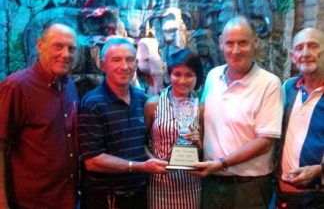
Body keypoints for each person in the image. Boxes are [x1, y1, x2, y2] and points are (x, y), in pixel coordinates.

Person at [192, 16, 283, 209]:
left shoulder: (269, 83)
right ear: (220, 44)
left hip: (248, 188)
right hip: (212, 183)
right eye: (230, 43)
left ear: (255, 43)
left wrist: (220, 163)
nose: (236, 50)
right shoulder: (213, 76)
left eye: (243, 43)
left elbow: (264, 142)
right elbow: (203, 117)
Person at [78, 37, 168, 209]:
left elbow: (145, 143)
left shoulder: (142, 99)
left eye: (130, 59)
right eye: (116, 60)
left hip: (139, 196)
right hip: (106, 200)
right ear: (103, 65)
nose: (125, 66)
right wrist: (139, 167)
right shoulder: (92, 103)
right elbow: (92, 160)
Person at [0, 19, 79, 209]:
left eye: (71, 48)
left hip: (67, 199)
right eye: (58, 46)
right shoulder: (16, 87)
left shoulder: (70, 86)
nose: (65, 54)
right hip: (31, 203)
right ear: (40, 45)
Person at [144, 48, 204, 209]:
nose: (182, 80)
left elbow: (203, 150)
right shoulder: (153, 104)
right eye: (177, 74)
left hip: (189, 183)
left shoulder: (201, 108)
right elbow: (140, 142)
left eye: (189, 74)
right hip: (159, 182)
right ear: (169, 75)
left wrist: (198, 143)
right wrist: (152, 161)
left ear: (197, 77)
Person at [276, 27, 324, 208]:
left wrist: (320, 170)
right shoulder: (288, 88)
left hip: (318, 196)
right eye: (299, 48)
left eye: (313, 46)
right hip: (283, 194)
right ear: (292, 56)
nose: (305, 53)